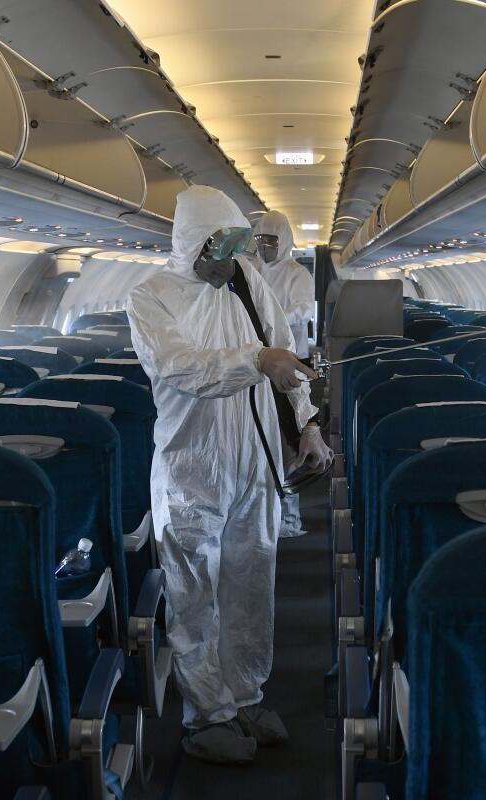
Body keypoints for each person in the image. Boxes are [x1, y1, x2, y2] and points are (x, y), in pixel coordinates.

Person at [128, 186, 333, 765]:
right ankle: (205, 717)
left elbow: (284, 352)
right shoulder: (151, 296)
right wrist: (255, 361)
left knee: (250, 584)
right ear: (195, 244)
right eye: (225, 247)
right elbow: (180, 367)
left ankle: (244, 695)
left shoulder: (246, 280)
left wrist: (310, 424)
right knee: (194, 594)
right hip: (192, 468)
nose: (236, 257)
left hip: (256, 459)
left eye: (242, 245)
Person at [251, 210, 317, 539]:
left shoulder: (296, 273)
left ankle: (290, 519)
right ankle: (263, 513)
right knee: (263, 439)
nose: (265, 247)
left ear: (285, 242)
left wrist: (272, 319)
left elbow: (305, 308)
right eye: (260, 240)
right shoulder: (251, 271)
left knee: (292, 438)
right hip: (259, 362)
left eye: (271, 241)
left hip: (292, 361)